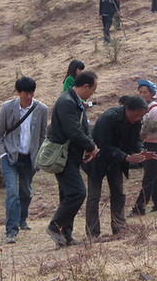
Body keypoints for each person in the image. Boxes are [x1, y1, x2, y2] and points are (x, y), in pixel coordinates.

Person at [84, 96, 157, 238]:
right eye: (136, 115)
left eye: (140, 116)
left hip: (117, 161)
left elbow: (135, 139)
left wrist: (141, 150)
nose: (138, 119)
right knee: (94, 197)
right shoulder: (109, 118)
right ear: (127, 109)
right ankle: (93, 233)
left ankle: (119, 228)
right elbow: (103, 146)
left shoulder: (136, 120)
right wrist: (126, 157)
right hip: (97, 160)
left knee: (118, 193)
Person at [46, 71, 99, 247]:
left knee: (67, 195)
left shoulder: (73, 101)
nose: (92, 94)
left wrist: (87, 145)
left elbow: (82, 128)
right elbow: (73, 131)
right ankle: (55, 227)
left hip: (71, 155)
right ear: (85, 86)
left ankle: (65, 236)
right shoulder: (66, 102)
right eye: (92, 90)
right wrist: (91, 147)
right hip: (63, 157)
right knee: (78, 192)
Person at [0, 77, 48, 244]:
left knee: (25, 191)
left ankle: (22, 218)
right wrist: (2, 154)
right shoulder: (7, 108)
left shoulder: (42, 109)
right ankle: (11, 230)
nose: (29, 96)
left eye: (32, 93)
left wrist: (38, 156)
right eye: (26, 93)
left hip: (29, 158)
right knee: (12, 193)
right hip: (10, 157)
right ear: (18, 92)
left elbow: (42, 135)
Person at [130, 81, 157, 215]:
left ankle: (139, 208)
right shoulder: (147, 107)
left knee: (148, 178)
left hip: (155, 145)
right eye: (140, 92)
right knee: (153, 175)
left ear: (152, 94)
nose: (142, 95)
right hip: (150, 144)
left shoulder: (154, 109)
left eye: (145, 92)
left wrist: (143, 135)